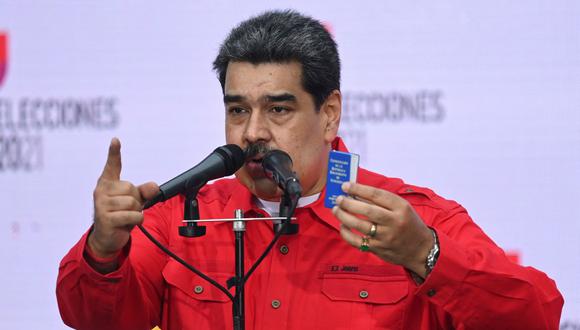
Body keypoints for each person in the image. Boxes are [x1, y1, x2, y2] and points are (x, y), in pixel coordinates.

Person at [56, 10, 563, 330]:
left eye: (278, 109)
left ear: (329, 114)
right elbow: (93, 320)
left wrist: (425, 255)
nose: (252, 132)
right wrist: (103, 250)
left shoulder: (406, 219)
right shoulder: (177, 219)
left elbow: (537, 316)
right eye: (237, 110)